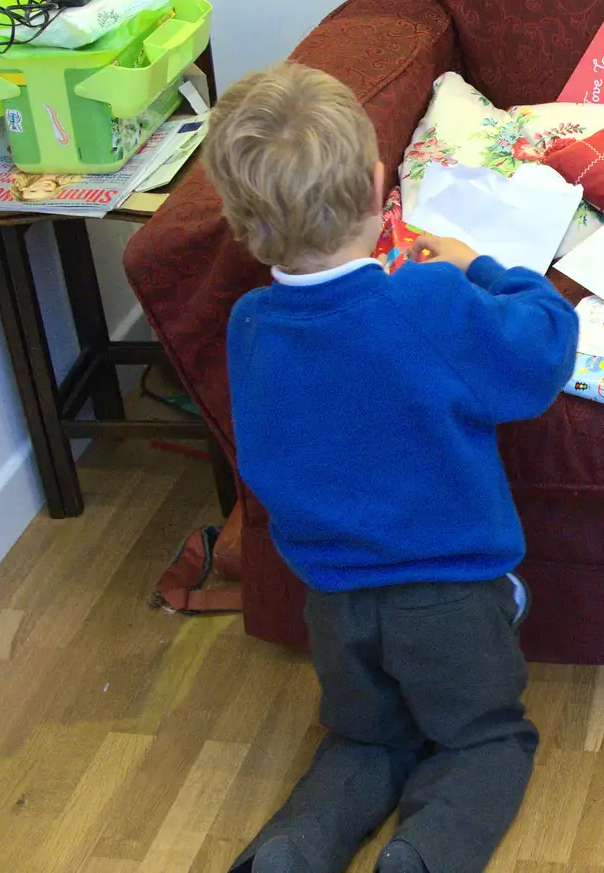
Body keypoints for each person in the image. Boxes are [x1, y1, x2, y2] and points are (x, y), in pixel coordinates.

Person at [207, 62, 578, 873]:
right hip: (448, 603)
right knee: (484, 740)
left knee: (363, 740)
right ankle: (424, 855)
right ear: (382, 187)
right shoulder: (429, 301)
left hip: (336, 606)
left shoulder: (250, 325)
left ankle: (292, 850)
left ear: (241, 223)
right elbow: (543, 351)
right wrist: (483, 266)